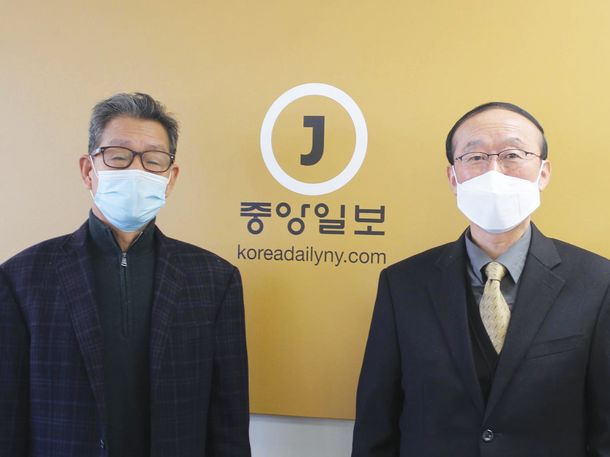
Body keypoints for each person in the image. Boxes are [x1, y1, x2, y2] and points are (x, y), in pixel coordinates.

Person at [352, 102, 610, 456]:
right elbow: (376, 423)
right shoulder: (403, 285)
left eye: (512, 155)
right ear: (453, 178)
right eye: (475, 157)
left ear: (543, 173)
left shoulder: (597, 283)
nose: (494, 171)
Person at [0, 93, 251, 457]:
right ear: (88, 170)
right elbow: (7, 420)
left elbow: (229, 424)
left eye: (153, 160)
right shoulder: (21, 279)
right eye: (118, 157)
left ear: (170, 178)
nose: (136, 171)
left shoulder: (215, 280)